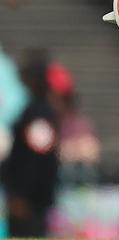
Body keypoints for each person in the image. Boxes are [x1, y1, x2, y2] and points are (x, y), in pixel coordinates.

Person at [1, 51, 59, 238]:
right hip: (31, 196)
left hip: (30, 200)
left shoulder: (38, 113)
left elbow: (35, 160)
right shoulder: (36, 110)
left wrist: (21, 195)